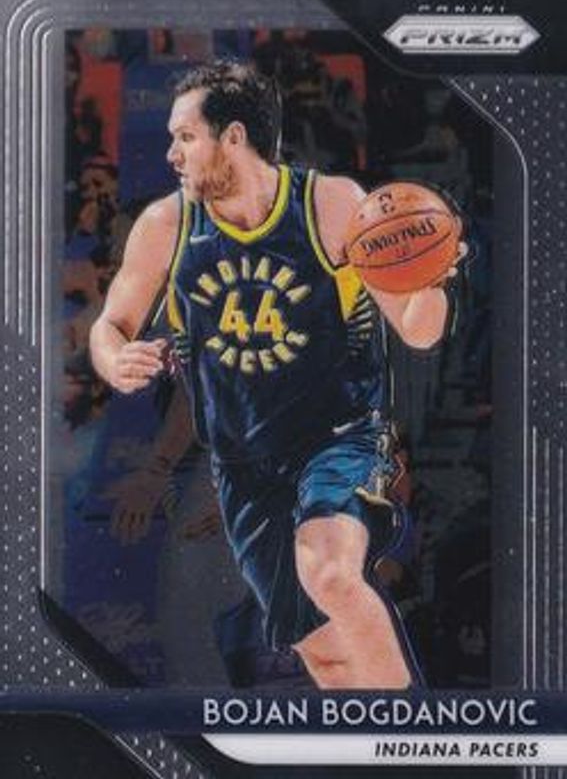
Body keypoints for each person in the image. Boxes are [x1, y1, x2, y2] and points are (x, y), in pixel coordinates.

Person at [90, 59, 464, 689]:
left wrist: (428, 281)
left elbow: (419, 330)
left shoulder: (331, 204)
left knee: (329, 571)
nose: (172, 154)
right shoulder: (166, 226)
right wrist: (115, 359)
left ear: (233, 137)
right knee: (325, 654)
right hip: (244, 464)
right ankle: (377, 740)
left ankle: (412, 735)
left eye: (186, 137)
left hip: (339, 437)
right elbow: (110, 326)